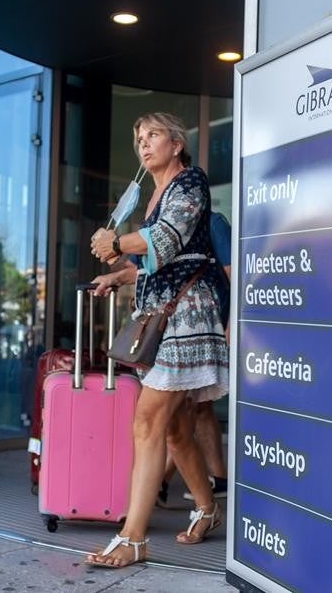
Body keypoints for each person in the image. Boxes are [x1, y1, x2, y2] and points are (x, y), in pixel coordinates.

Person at [84, 112, 229, 569]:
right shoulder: (155, 195)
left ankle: (133, 538)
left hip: (187, 318)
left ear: (176, 143)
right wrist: (116, 275)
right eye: (138, 137)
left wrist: (116, 243)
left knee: (147, 421)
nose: (143, 144)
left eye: (153, 135)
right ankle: (207, 508)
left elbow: (165, 241)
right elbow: (156, 262)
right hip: (162, 319)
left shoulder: (190, 183)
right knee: (174, 429)